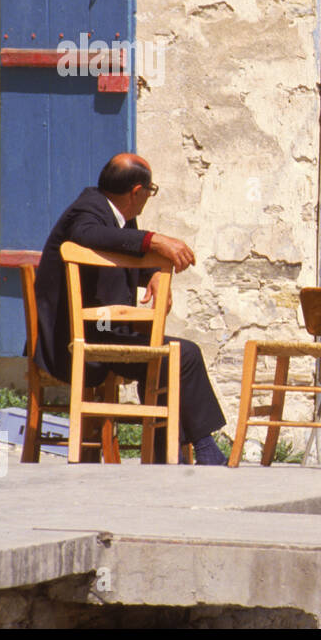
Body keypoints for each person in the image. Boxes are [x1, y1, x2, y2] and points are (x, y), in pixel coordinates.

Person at [33, 154, 228, 464]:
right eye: (151, 191)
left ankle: (167, 453)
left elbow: (114, 255)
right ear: (137, 191)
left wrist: (149, 273)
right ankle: (203, 450)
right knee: (184, 355)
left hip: (99, 332)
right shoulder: (89, 209)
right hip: (75, 341)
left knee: (166, 357)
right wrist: (154, 241)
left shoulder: (118, 216)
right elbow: (88, 236)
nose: (149, 198)